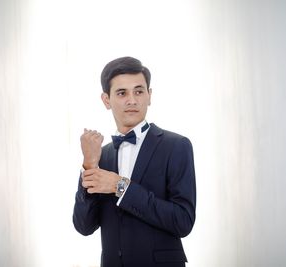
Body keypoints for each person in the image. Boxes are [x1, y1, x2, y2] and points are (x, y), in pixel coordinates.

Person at [73, 56, 196, 267]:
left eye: (139, 91)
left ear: (149, 95)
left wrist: (119, 186)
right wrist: (90, 166)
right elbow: (84, 226)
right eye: (122, 93)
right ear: (106, 100)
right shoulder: (101, 156)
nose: (132, 100)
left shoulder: (176, 145)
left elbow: (182, 221)